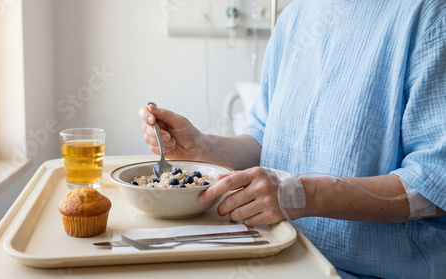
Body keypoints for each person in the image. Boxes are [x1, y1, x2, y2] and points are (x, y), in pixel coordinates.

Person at [139, 1, 446, 278]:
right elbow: (265, 139)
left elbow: (433, 187)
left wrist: (302, 195)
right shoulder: (294, 17)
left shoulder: (428, 14)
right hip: (279, 255)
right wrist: (204, 146)